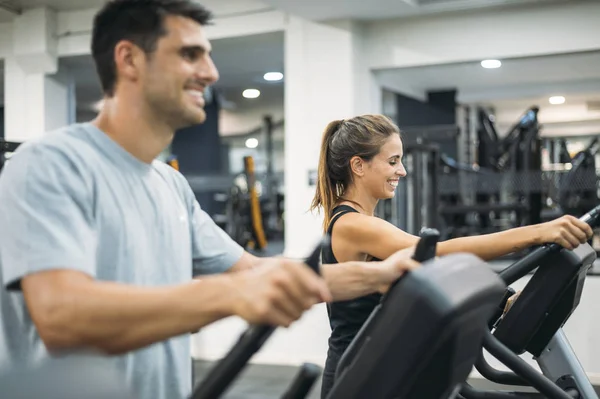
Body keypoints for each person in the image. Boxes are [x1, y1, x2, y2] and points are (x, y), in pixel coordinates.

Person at [0, 2, 420, 399]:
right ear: (128, 59)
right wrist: (230, 294)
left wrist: (381, 275)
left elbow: (260, 270)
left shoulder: (169, 184)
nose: (210, 72)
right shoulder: (51, 165)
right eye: (190, 54)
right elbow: (62, 316)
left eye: (208, 56)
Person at [310, 114, 595, 398]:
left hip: (380, 369)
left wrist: (500, 298)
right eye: (393, 161)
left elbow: (416, 276)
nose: (403, 171)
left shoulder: (361, 222)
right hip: (360, 380)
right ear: (359, 165)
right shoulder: (352, 224)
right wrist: (536, 233)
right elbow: (436, 253)